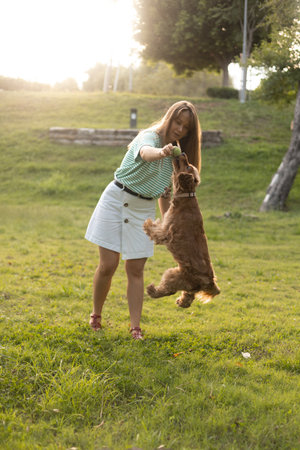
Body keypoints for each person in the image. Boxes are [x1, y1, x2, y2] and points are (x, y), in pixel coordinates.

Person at [85, 100, 202, 340]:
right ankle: (96, 315)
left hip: (143, 209)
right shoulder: (148, 137)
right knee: (108, 265)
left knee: (135, 269)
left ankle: (135, 327)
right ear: (169, 117)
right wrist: (162, 152)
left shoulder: (178, 157)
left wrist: (168, 224)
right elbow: (145, 153)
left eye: (186, 127)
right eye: (177, 122)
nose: (180, 129)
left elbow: (165, 194)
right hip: (116, 200)